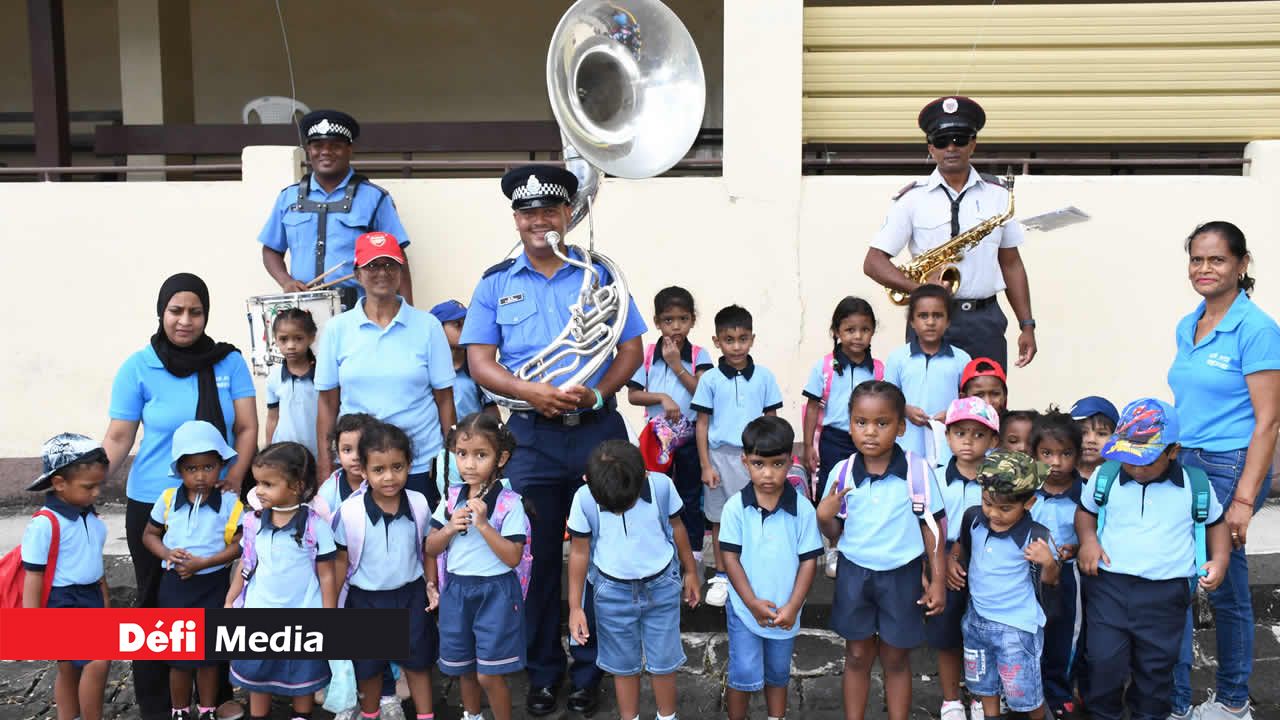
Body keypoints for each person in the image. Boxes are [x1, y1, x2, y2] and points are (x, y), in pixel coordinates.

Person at [461, 164, 647, 716]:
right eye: (527, 212)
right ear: (515, 218)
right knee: (537, 560)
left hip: (598, 431)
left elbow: (631, 351)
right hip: (531, 437)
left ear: (569, 213)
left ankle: (592, 673)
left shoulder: (601, 277)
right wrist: (528, 392)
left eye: (550, 210)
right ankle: (544, 672)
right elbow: (478, 362)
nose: (539, 220)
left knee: (603, 556)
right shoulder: (496, 281)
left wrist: (595, 394)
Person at [103, 272, 257, 720]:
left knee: (220, 602)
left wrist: (236, 477)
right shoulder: (138, 366)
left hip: (218, 502)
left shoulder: (228, 362)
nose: (185, 320)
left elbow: (246, 428)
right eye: (176, 310)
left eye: (195, 311)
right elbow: (118, 436)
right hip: (156, 503)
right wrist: (90, 481)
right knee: (155, 605)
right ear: (161, 312)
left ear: (206, 315)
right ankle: (160, 703)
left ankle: (215, 698)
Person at [1168, 221, 1280, 720]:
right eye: (1197, 259)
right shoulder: (1188, 324)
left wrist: (1243, 499)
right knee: (1182, 577)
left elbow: (1269, 421)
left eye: (1216, 259)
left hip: (1231, 465)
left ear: (1241, 264)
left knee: (1227, 585)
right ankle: (1173, 698)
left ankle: (1234, 702)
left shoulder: (1256, 329)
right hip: (1188, 461)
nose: (1204, 269)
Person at [1077, 398, 1230, 720]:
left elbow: (1216, 525)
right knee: (1103, 662)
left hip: (1166, 594)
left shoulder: (1195, 485)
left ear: (1173, 451)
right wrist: (1088, 541)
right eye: (1128, 458)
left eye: (1145, 460)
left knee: (1155, 670)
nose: (1134, 467)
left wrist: (1220, 561)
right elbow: (1086, 512)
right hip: (1109, 587)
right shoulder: (1106, 477)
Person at [863, 95, 1036, 371]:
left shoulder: (998, 196)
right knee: (931, 407)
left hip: (985, 320)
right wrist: (921, 290)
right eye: (942, 141)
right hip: (930, 320)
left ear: (973, 143)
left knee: (988, 407)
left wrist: (1027, 324)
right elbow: (873, 263)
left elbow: (1011, 263)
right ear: (931, 147)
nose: (951, 147)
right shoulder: (911, 199)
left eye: (960, 138)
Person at [816, 381, 946, 720]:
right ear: (850, 424)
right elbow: (834, 533)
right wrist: (823, 517)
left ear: (901, 427)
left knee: (895, 658)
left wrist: (937, 581)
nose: (870, 432)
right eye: (861, 422)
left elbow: (933, 530)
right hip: (854, 575)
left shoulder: (917, 471)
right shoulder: (842, 473)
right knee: (857, 654)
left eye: (882, 423)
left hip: (902, 576)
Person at [315, 231, 455, 504]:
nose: (383, 273)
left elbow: (445, 399)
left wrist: (450, 462)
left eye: (390, 264)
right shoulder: (336, 329)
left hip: (420, 464)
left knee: (423, 542)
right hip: (359, 466)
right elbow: (327, 403)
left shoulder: (428, 326)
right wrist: (325, 462)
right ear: (357, 274)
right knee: (357, 543)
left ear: (401, 272)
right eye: (373, 266)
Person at [566, 441, 700, 720]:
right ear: (587, 482)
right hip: (611, 593)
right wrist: (576, 607)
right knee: (622, 664)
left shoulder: (662, 486)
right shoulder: (584, 498)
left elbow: (677, 528)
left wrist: (690, 572)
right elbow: (579, 551)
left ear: (645, 476)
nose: (618, 512)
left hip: (661, 586)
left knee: (664, 661)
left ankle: (667, 716)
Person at [426, 414, 528, 720]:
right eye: (462, 454)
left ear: (501, 458)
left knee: (489, 674)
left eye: (480, 455)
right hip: (457, 591)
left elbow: (513, 557)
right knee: (464, 669)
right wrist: (446, 530)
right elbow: (430, 547)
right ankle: (472, 715)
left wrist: (483, 525)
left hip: (496, 593)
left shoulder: (510, 502)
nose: (469, 464)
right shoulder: (450, 499)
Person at [718, 417, 822, 720]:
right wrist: (750, 602)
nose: (767, 473)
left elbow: (809, 561)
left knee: (778, 673)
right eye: (758, 463)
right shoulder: (735, 508)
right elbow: (730, 559)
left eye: (777, 464)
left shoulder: (802, 508)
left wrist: (793, 605)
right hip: (744, 608)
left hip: (785, 610)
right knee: (744, 672)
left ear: (791, 461)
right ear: (744, 461)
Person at [333, 421, 437, 720]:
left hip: (412, 597)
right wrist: (334, 605)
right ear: (363, 471)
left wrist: (431, 584)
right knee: (369, 667)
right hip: (365, 600)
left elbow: (428, 548)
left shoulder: (418, 504)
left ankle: (425, 715)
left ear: (408, 465)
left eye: (397, 467)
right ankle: (370, 714)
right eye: (379, 470)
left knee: (418, 663)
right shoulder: (350, 513)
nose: (389, 477)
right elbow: (340, 561)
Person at [226, 443, 338, 720]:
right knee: (258, 675)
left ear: (297, 485)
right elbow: (246, 563)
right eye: (257, 483)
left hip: (303, 615)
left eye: (268, 484)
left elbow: (327, 574)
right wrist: (231, 600)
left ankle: (301, 715)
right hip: (259, 613)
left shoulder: (315, 527)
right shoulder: (252, 523)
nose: (259, 490)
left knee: (302, 674)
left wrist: (329, 614)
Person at [258, 109, 413, 308]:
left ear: (350, 150)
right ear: (308, 149)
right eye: (318, 145)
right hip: (303, 312)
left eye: (336, 146)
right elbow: (271, 249)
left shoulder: (374, 198)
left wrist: (409, 314)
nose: (325, 152)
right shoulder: (288, 197)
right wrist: (286, 281)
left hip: (359, 309)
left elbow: (397, 257)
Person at [142, 421, 245, 720]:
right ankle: (179, 710)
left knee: (209, 657)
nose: (200, 476)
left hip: (212, 586)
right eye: (191, 469)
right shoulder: (166, 500)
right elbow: (149, 535)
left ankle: (208, 709)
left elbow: (239, 546)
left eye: (209, 467)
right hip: (175, 586)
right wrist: (166, 553)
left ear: (221, 465)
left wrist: (204, 562)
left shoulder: (229, 503)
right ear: (179, 470)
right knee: (178, 657)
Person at [950, 450, 1060, 720]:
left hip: (1016, 628)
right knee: (984, 684)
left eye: (1005, 508)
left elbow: (1052, 580)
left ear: (1029, 503)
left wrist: (1048, 563)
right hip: (977, 620)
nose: (994, 514)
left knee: (1024, 693)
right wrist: (953, 561)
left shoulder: (1036, 537)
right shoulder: (974, 519)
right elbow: (961, 547)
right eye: (988, 503)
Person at [690, 304, 784, 608]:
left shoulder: (765, 377)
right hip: (720, 459)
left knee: (759, 514)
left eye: (743, 339)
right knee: (720, 520)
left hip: (757, 459)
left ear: (752, 339)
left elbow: (773, 421)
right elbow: (702, 425)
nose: (736, 346)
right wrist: (706, 465)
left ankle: (755, 571)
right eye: (729, 340)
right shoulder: (710, 380)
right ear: (717, 342)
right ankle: (722, 575)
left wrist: (775, 461)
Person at [20, 434, 112, 720]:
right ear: (59, 484)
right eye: (89, 487)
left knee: (70, 667)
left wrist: (106, 606)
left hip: (91, 597)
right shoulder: (44, 524)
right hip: (64, 602)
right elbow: (33, 576)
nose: (96, 493)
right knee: (98, 661)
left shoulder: (90, 517)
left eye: (99, 485)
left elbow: (96, 568)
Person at [626, 286, 714, 565]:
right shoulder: (648, 354)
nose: (676, 327)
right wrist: (662, 397)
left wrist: (677, 365)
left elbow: (703, 392)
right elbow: (633, 394)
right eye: (668, 320)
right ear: (656, 322)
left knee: (689, 492)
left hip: (690, 436)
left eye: (683, 319)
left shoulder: (699, 354)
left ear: (693, 320)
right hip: (656, 438)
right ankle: (657, 546)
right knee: (654, 490)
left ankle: (695, 551)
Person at [928, 397, 1000, 720]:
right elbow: (927, 528)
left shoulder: (1000, 477)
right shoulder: (936, 478)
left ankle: (981, 695)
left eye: (978, 434)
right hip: (948, 567)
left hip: (989, 567)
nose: (968, 441)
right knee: (948, 637)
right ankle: (950, 699)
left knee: (986, 635)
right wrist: (941, 565)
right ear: (947, 437)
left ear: (993, 441)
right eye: (960, 433)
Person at [1028, 409, 1087, 719]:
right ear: (1034, 454)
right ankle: (1027, 689)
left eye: (1065, 454)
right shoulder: (1026, 492)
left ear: (1076, 456)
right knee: (1029, 631)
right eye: (1047, 453)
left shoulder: (1085, 494)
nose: (1055, 462)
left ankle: (1058, 691)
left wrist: (1077, 546)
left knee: (1065, 634)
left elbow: (1095, 533)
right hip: (1027, 576)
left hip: (1068, 576)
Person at [883, 285, 972, 464]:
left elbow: (971, 403)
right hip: (905, 445)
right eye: (923, 316)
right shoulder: (898, 358)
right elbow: (886, 399)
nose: (930, 322)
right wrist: (904, 409)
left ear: (948, 321)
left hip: (948, 447)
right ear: (912, 322)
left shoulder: (961, 359)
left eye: (937, 316)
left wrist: (953, 413)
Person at [430, 300, 499, 423]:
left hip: (473, 437)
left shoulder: (477, 366)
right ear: (437, 328)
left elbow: (491, 409)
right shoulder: (427, 369)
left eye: (467, 324)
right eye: (458, 324)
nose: (466, 330)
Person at [265, 308, 319, 459]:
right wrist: (268, 452)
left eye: (298, 338)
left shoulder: (322, 375)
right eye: (283, 339)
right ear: (275, 339)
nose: (290, 345)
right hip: (284, 456)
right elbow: (272, 418)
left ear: (311, 337)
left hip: (317, 453)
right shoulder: (273, 378)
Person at [315, 413, 378, 519]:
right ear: (338, 454)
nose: (356, 457)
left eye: (362, 448)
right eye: (347, 450)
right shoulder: (328, 492)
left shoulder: (385, 482)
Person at [1068, 396, 1118, 481]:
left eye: (1101, 434)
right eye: (1083, 432)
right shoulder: (1053, 472)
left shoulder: (1119, 477)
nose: (1091, 440)